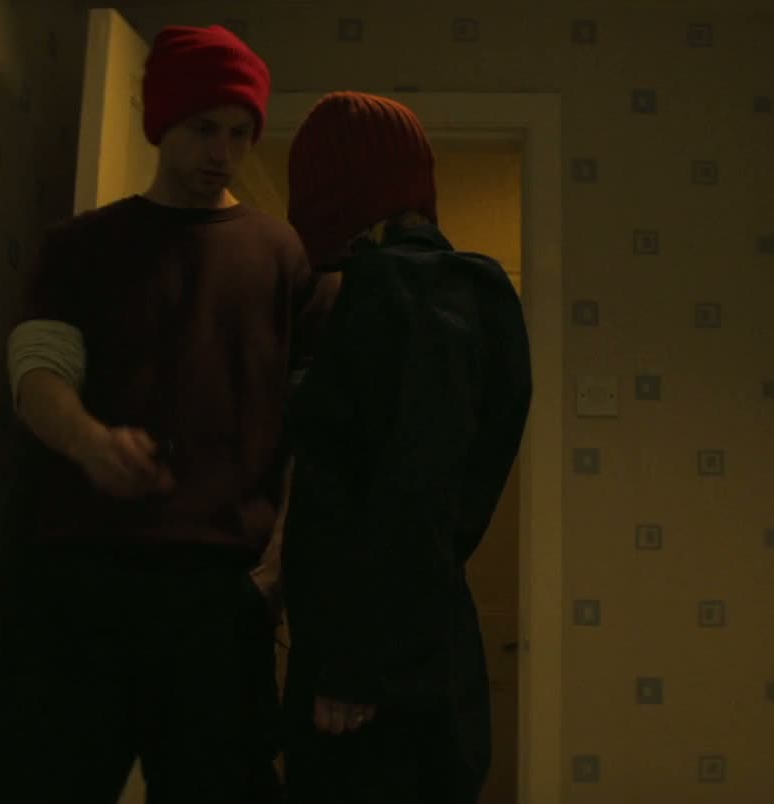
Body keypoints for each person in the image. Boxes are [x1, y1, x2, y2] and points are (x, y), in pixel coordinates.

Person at [0, 24, 333, 804]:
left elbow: (316, 430)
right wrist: (89, 442)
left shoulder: (281, 258)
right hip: (80, 584)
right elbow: (37, 370)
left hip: (216, 593)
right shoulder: (82, 246)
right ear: (162, 121)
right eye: (204, 128)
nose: (222, 153)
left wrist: (276, 565)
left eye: (239, 134)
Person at [275, 91, 534, 804]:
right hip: (424, 653)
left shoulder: (393, 296)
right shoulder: (465, 298)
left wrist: (352, 666)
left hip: (374, 687)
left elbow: (409, 489)